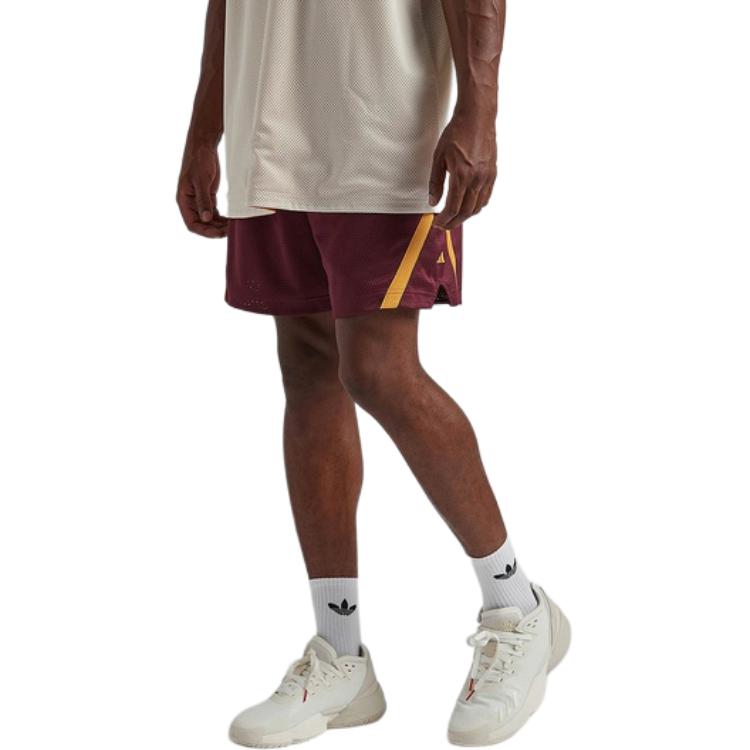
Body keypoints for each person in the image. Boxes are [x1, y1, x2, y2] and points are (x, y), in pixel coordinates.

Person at [177, 1, 569, 746]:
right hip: (267, 122)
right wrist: (205, 130)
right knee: (308, 368)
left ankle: (519, 607)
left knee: (378, 369)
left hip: (382, 126)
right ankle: (342, 655)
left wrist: (480, 111)